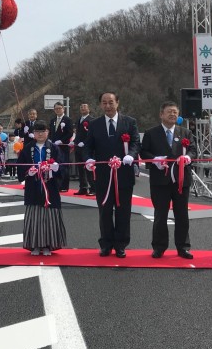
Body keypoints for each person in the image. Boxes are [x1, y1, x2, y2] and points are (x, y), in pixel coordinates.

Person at [85, 91, 140, 258]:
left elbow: (136, 141)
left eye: (110, 102)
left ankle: (121, 244)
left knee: (123, 211)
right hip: (102, 175)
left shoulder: (129, 122)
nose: (107, 106)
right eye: (104, 103)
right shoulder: (94, 124)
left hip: (124, 174)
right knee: (105, 211)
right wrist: (88, 159)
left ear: (117, 103)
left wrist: (131, 154)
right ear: (100, 104)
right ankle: (106, 244)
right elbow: (88, 146)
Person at [140, 101, 198, 259]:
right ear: (161, 114)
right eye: (169, 112)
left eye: (175, 112)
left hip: (181, 180)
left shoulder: (185, 132)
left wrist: (188, 157)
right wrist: (155, 159)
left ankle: (183, 247)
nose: (173, 114)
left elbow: (193, 149)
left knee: (182, 215)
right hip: (160, 181)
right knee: (160, 215)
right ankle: (159, 247)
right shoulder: (151, 132)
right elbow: (144, 152)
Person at [17, 121, 67, 255]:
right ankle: (35, 245)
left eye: (43, 131)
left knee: (49, 217)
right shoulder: (27, 148)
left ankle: (48, 245)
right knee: (35, 216)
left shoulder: (55, 148)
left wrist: (56, 168)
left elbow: (63, 166)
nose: (40, 134)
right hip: (33, 187)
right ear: (34, 133)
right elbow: (20, 167)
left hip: (50, 187)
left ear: (48, 132)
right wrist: (28, 171)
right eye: (37, 132)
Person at [49, 101, 73, 191]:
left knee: (64, 166)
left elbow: (70, 133)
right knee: (55, 165)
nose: (58, 110)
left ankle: (64, 186)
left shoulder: (67, 120)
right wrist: (50, 139)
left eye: (59, 108)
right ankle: (57, 184)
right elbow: (51, 132)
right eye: (56, 109)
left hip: (63, 146)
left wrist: (62, 140)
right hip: (54, 146)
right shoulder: (53, 120)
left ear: (63, 109)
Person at [74, 102, 95, 196]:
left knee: (89, 168)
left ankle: (93, 188)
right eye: (81, 107)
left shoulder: (92, 120)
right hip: (78, 147)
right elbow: (78, 134)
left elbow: (92, 134)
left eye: (84, 107)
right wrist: (74, 141)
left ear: (89, 109)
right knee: (80, 169)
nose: (82, 108)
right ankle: (83, 187)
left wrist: (85, 142)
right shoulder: (79, 120)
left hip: (87, 148)